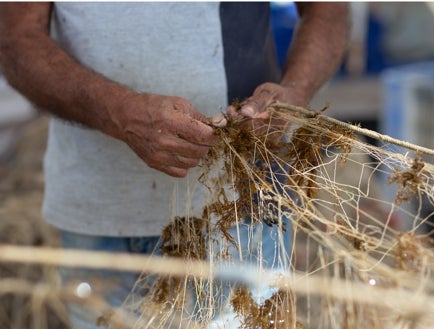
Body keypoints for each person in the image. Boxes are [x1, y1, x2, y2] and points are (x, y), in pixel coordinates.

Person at [0, 2, 349, 328]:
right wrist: (119, 111)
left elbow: (327, 11)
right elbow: (16, 38)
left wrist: (295, 92)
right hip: (98, 214)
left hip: (242, 212)